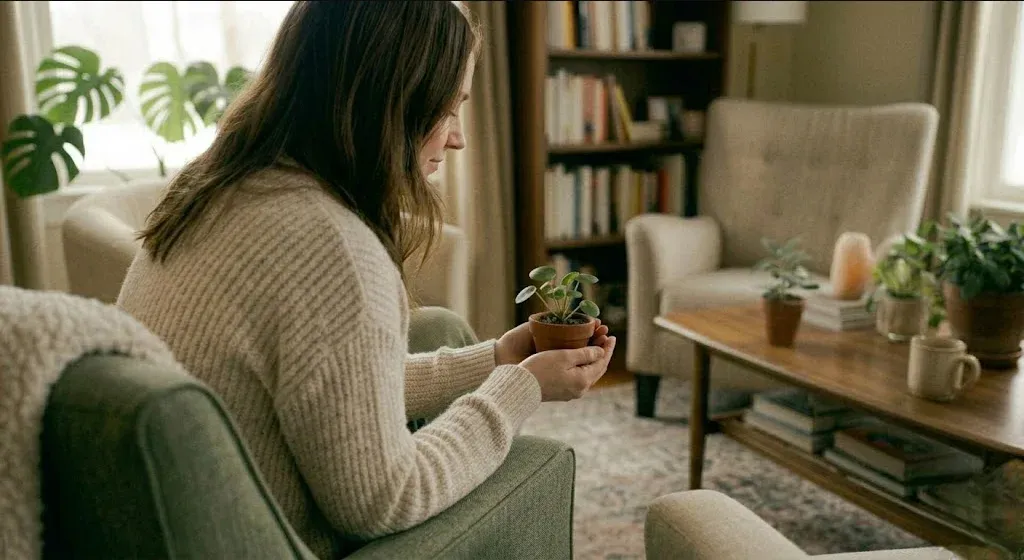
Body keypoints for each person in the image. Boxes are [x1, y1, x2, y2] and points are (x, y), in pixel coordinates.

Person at [116, 2, 616, 558]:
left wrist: (497, 359)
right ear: (392, 102)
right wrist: (522, 388)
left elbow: (330, 386)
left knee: (442, 329)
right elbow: (383, 500)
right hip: (274, 540)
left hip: (181, 518)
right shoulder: (333, 248)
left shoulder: (216, 184)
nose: (458, 140)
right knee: (539, 461)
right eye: (448, 110)